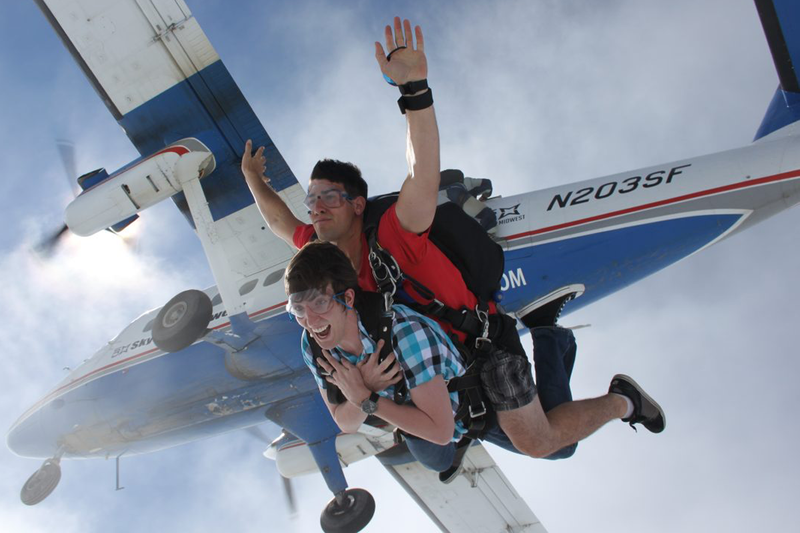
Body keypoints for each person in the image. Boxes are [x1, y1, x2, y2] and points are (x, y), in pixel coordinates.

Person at [243, 17, 665, 471]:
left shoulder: (393, 237)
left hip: (481, 350)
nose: (317, 208)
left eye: (330, 197)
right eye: (312, 200)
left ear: (359, 205)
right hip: (431, 369)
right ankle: (547, 337)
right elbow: (279, 221)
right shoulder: (318, 261)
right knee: (472, 448)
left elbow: (422, 171)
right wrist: (252, 179)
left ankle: (619, 398)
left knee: (544, 443)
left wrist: (415, 92)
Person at [285, 241, 466, 472]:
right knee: (435, 461)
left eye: (320, 303)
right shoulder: (312, 346)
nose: (310, 321)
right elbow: (345, 422)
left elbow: (441, 432)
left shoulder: (404, 332)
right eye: (299, 310)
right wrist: (367, 387)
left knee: (525, 443)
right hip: (417, 418)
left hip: (468, 409)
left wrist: (365, 399)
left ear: (347, 299)